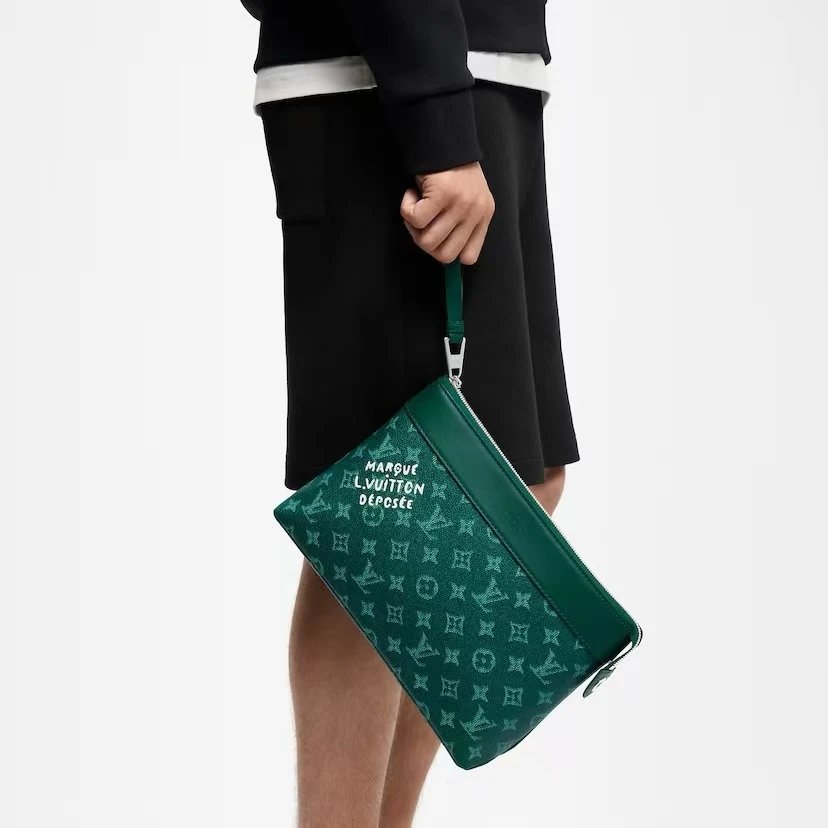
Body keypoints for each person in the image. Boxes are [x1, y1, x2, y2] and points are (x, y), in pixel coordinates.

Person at [241, 2, 579, 824]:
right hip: (393, 80)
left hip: (483, 74)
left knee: (512, 486)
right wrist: (438, 120)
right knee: (385, 514)